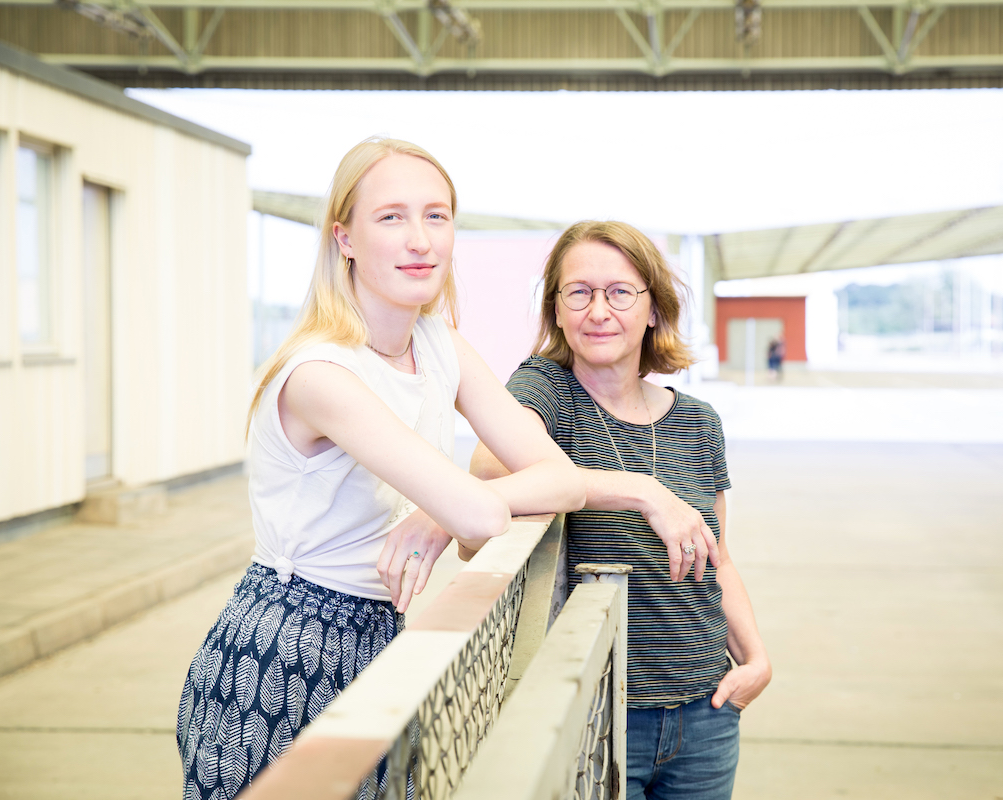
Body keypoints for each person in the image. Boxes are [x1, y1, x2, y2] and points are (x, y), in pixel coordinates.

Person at [176, 137, 584, 800]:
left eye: (437, 215)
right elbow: (480, 514)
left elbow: (563, 478)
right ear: (345, 238)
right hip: (283, 647)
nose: (420, 239)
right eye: (391, 217)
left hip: (378, 635)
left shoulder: (439, 344)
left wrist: (432, 512)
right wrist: (452, 505)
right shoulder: (321, 374)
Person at [470, 221, 770, 800]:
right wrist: (640, 490)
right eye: (577, 292)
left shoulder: (698, 422)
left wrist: (755, 659)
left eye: (620, 292)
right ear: (556, 311)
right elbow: (486, 472)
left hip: (706, 711)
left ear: (653, 309)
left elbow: (720, 560)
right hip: (597, 711)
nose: (598, 310)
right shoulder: (546, 394)